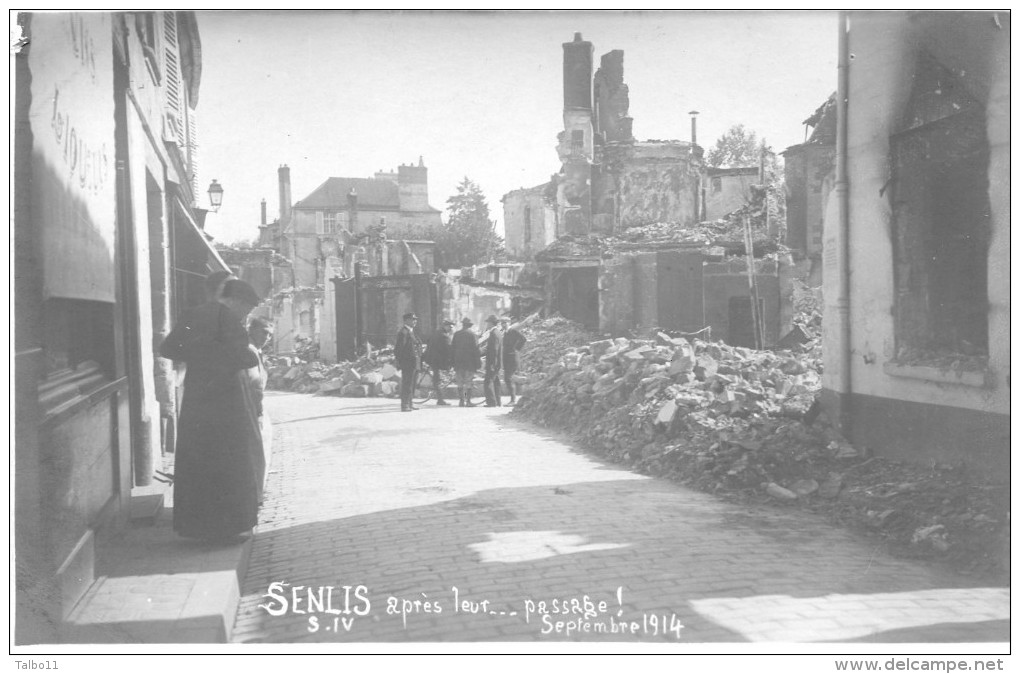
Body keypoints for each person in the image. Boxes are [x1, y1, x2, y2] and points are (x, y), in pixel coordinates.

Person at [159, 279, 262, 542]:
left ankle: (197, 528)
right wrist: (243, 356)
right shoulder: (228, 319)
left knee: (198, 461)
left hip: (197, 399)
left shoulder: (194, 314)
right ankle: (227, 528)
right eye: (247, 309)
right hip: (226, 400)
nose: (245, 315)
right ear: (236, 301)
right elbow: (242, 357)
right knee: (230, 462)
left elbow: (169, 348)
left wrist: (200, 356)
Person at [244, 317, 273, 504]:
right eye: (264, 332)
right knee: (257, 453)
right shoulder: (249, 350)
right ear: (251, 330)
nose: (267, 337)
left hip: (256, 408)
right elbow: (254, 385)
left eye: (270, 334)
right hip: (252, 409)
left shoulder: (256, 350)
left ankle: (257, 493)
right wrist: (258, 410)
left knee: (261, 452)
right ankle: (255, 496)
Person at [394, 312, 423, 412]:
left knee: (413, 384)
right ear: (406, 320)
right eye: (412, 319)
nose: (415, 321)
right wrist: (401, 362)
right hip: (408, 363)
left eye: (415, 319)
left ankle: (410, 403)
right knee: (407, 384)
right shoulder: (403, 332)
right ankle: (405, 405)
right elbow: (399, 349)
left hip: (415, 362)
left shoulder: (411, 331)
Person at [423, 319, 455, 406]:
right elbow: (449, 349)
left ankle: (440, 398)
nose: (451, 329)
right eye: (450, 327)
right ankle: (440, 399)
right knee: (437, 380)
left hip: (431, 358)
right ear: (446, 326)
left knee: (437, 378)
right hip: (436, 360)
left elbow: (428, 341)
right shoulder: (444, 336)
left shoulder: (437, 332)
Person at [451, 317, 482, 407]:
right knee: (468, 382)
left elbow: (452, 349)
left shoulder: (457, 334)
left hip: (458, 362)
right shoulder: (473, 335)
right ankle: (468, 401)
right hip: (469, 363)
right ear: (470, 326)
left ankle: (461, 401)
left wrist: (452, 362)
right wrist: (478, 363)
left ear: (463, 325)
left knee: (460, 382)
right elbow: (476, 350)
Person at [500, 317, 527, 406]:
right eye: (502, 323)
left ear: (509, 323)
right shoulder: (505, 333)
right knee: (507, 378)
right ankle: (513, 399)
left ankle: (513, 400)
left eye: (505, 323)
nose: (503, 324)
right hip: (507, 358)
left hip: (512, 358)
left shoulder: (513, 331)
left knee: (508, 378)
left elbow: (523, 339)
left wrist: (516, 349)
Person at [482, 314, 503, 407]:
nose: (486, 324)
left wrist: (492, 364)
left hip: (492, 363)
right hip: (497, 362)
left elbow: (494, 349)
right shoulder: (498, 332)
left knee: (488, 382)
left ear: (491, 323)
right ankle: (498, 401)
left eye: (487, 323)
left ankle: (491, 402)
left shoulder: (493, 333)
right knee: (496, 382)